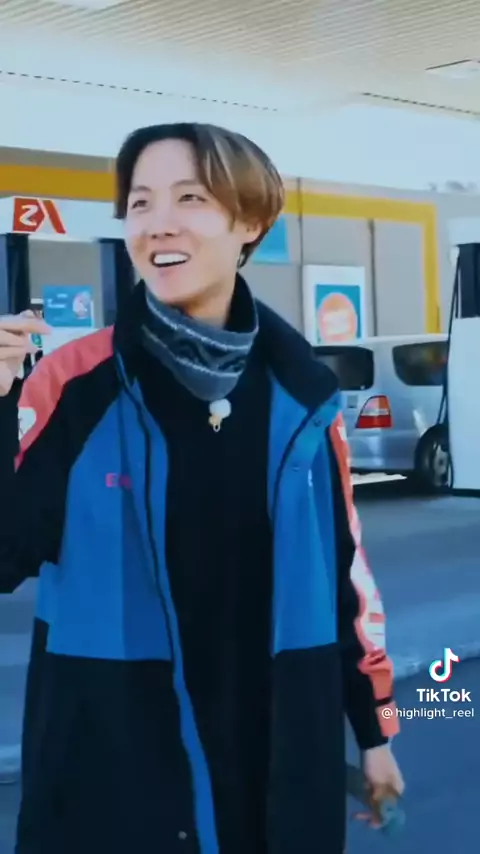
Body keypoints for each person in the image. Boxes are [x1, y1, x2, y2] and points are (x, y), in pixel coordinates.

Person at [0, 122, 403, 854]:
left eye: (190, 198)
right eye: (141, 203)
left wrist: (374, 734)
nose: (159, 223)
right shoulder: (75, 386)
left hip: (279, 757)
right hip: (118, 770)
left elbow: (344, 575)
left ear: (250, 222)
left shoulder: (304, 394)